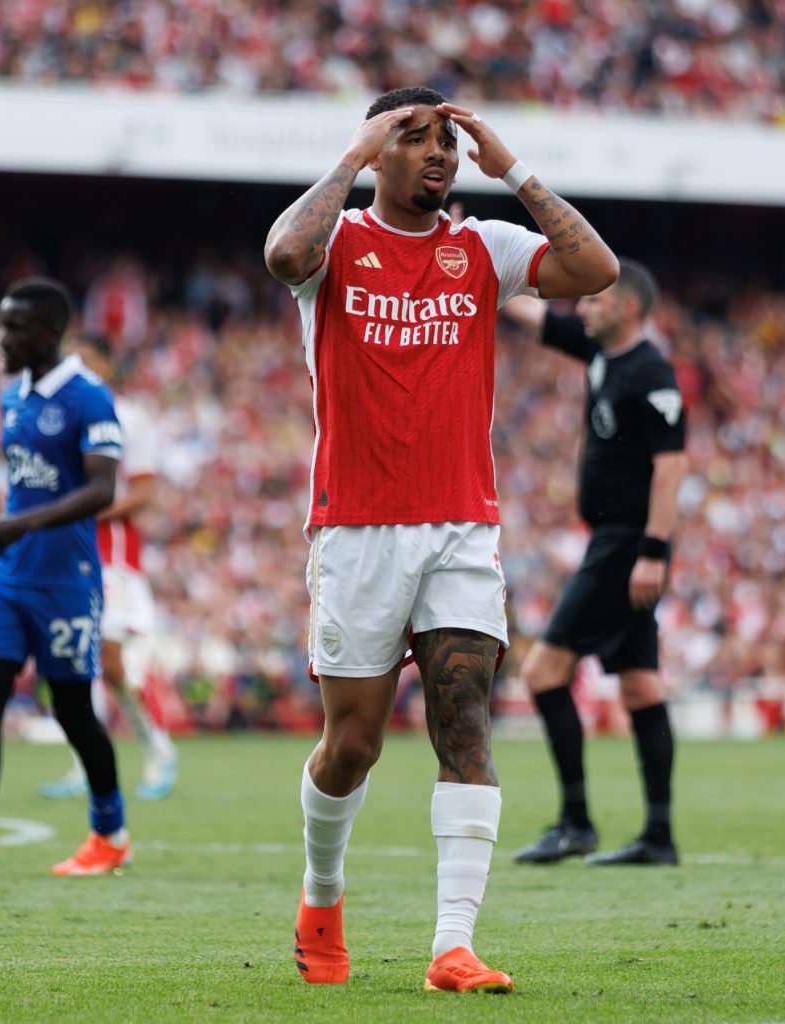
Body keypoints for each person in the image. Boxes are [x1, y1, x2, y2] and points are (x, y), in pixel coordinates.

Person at [264, 85, 618, 993]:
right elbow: (281, 251)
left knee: (465, 723)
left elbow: (596, 272)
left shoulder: (482, 247)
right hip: (355, 530)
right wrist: (348, 157)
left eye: (446, 145)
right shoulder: (335, 245)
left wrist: (512, 168)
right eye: (413, 139)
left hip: (461, 528)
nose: (436, 156)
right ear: (378, 148)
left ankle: (451, 946)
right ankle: (322, 895)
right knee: (354, 746)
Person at [0, 278, 133, 878]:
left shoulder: (90, 397)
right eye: (1, 324)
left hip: (66, 581)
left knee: (72, 711)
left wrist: (21, 523)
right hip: (7, 578)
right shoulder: (13, 396)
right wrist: (15, 532)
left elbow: (102, 488)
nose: (1, 338)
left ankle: (110, 833)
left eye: (13, 327)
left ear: (48, 332)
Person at [497, 261, 688, 868]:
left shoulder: (650, 369)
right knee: (638, 684)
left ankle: (576, 821)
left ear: (628, 307)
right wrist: (473, 256)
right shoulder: (600, 350)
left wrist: (652, 552)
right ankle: (658, 836)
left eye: (594, 301)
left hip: (626, 545)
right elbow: (531, 312)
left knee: (544, 673)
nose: (581, 308)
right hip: (617, 542)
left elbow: (671, 465)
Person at [39, 334, 179, 802]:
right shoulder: (59, 417)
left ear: (106, 364)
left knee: (112, 663)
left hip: (112, 557)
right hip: (69, 554)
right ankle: (83, 763)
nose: (75, 366)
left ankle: (159, 749)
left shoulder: (129, 417)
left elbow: (143, 492)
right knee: (74, 660)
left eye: (86, 358)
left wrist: (83, 510)